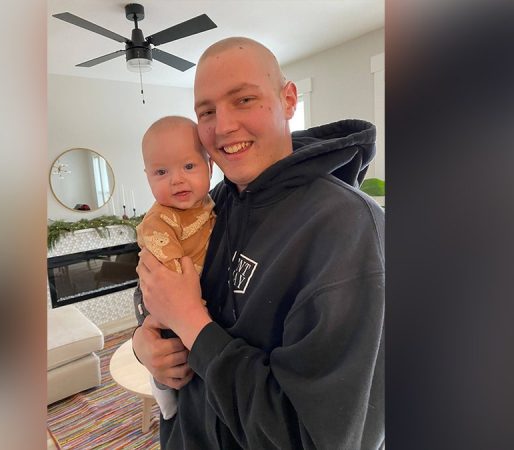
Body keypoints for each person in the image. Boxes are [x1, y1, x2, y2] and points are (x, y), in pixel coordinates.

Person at [133, 36, 384, 449]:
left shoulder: (349, 230)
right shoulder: (211, 203)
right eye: (207, 111)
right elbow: (155, 286)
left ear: (289, 100)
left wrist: (192, 324)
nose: (223, 126)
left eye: (244, 100)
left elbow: (319, 438)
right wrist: (145, 343)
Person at [134, 115, 216, 420]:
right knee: (170, 351)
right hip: (164, 299)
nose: (177, 180)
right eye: (161, 172)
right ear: (147, 177)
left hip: (190, 298)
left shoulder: (207, 203)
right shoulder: (160, 220)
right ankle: (163, 392)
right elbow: (168, 273)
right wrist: (193, 308)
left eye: (189, 166)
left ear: (210, 166)